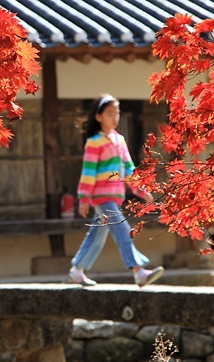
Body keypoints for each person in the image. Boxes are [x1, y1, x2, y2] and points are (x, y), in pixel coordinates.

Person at [67, 94, 164, 287]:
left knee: (97, 235)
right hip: (101, 197)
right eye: (109, 113)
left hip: (115, 196)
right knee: (122, 230)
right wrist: (84, 197)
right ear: (98, 117)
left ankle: (77, 271)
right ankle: (139, 272)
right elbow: (88, 172)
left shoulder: (119, 140)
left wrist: (141, 190)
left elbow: (128, 169)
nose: (114, 117)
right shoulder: (94, 142)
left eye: (116, 113)